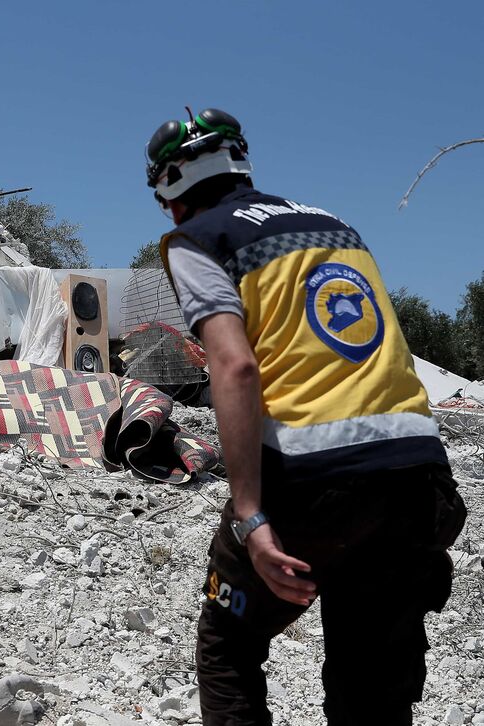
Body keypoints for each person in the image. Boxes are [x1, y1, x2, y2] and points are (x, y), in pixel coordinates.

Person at [145, 108, 467, 725]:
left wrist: (249, 515)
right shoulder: (335, 224)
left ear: (169, 190)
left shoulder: (199, 239)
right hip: (416, 476)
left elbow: (235, 369)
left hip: (310, 480)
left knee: (228, 646)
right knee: (373, 679)